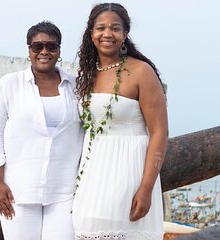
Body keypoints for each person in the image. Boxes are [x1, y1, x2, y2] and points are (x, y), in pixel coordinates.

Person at [72, 3, 168, 240]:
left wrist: (146, 189)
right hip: (92, 172)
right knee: (86, 230)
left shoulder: (141, 72)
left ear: (125, 33)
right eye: (100, 28)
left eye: (115, 28)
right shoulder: (86, 74)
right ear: (91, 33)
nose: (107, 34)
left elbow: (159, 132)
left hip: (129, 171)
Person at [0, 21, 84, 240]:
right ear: (29, 50)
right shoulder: (9, 85)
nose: (44, 52)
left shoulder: (76, 87)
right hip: (18, 190)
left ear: (59, 51)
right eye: (37, 46)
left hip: (65, 190)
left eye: (51, 46)